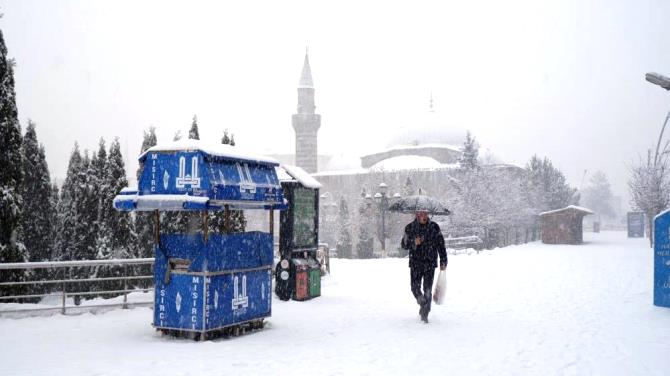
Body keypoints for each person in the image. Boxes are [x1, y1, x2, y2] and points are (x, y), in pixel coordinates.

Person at [400, 210, 447, 323]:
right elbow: (403, 245)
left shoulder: (434, 227)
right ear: (417, 214)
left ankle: (425, 314)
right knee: (414, 288)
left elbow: (441, 245)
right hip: (415, 263)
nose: (425, 216)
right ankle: (422, 302)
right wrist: (413, 242)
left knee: (427, 289)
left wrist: (443, 260)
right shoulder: (410, 228)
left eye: (426, 214)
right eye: (422, 214)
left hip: (430, 263)